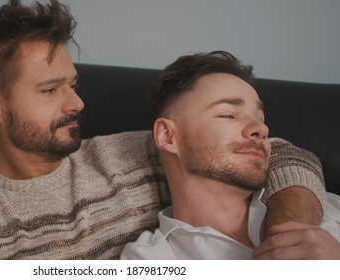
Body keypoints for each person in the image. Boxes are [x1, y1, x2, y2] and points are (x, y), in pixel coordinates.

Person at [0, 1, 326, 259]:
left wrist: (286, 238)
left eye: (73, 85)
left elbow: (282, 152)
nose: (76, 103)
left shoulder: (127, 154)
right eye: (50, 89)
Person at [121, 51, 340, 259]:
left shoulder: (326, 205)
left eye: (261, 119)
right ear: (167, 136)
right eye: (229, 115)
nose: (261, 129)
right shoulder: (149, 259)